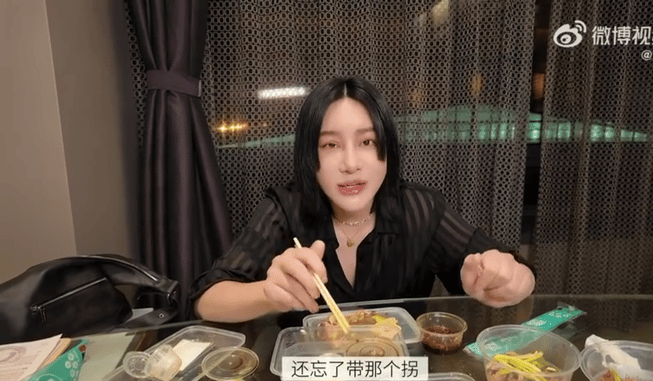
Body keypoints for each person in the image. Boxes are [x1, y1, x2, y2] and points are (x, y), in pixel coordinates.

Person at [191, 76, 535, 323]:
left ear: (387, 149)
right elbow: (207, 299)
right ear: (310, 156)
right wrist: (268, 293)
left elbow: (511, 270)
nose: (351, 163)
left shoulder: (420, 209)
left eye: (367, 142)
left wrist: (509, 278)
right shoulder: (286, 207)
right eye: (330, 145)